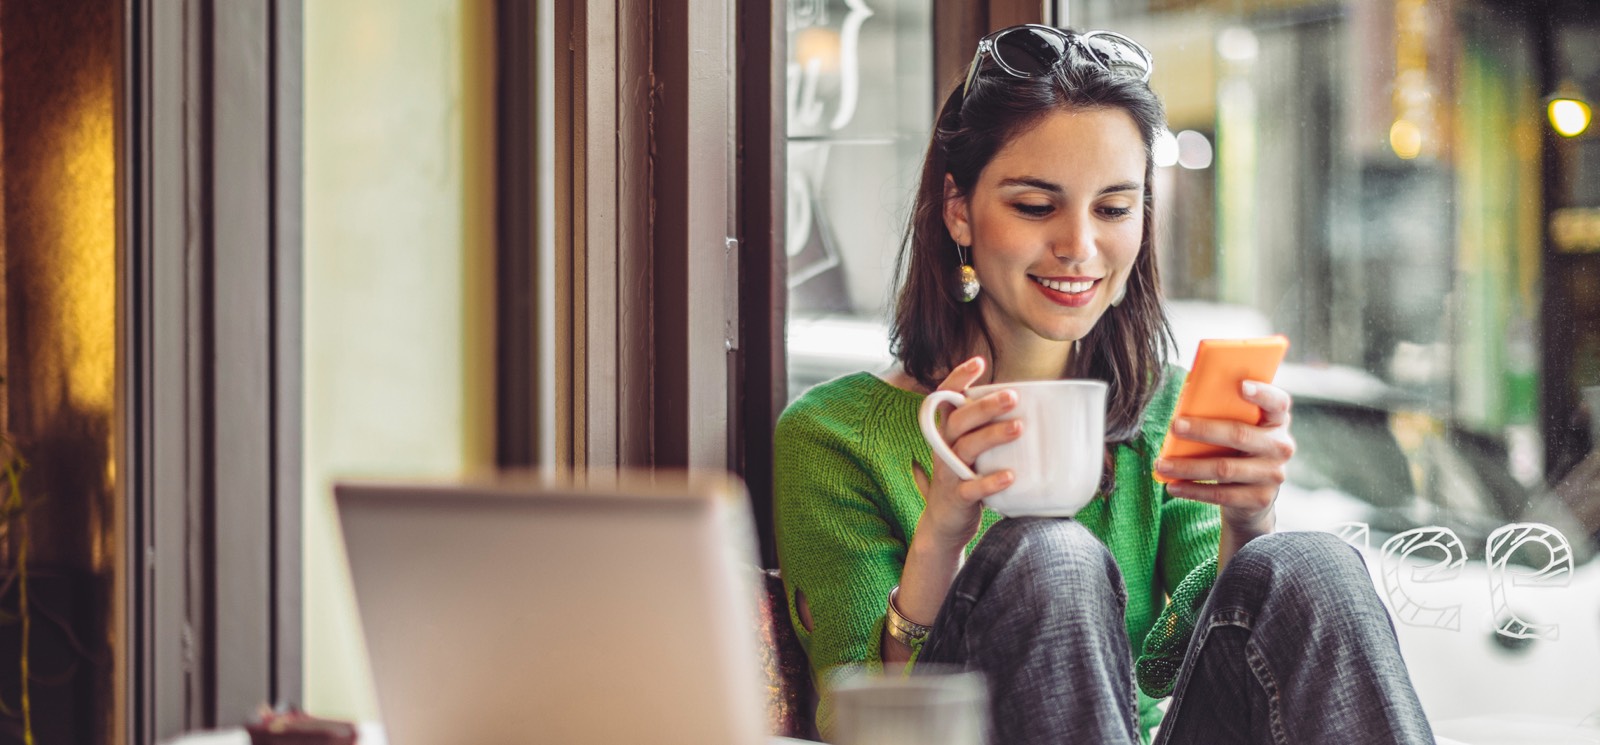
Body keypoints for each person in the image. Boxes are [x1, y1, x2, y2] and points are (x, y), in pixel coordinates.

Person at [773, 24, 1434, 744]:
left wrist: (1248, 522)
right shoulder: (834, 437)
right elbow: (859, 719)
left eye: (1114, 209)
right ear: (959, 209)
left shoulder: (1164, 409)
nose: (1080, 247)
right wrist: (942, 537)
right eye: (1036, 205)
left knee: (1309, 561)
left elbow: (1169, 668)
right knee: (1050, 556)